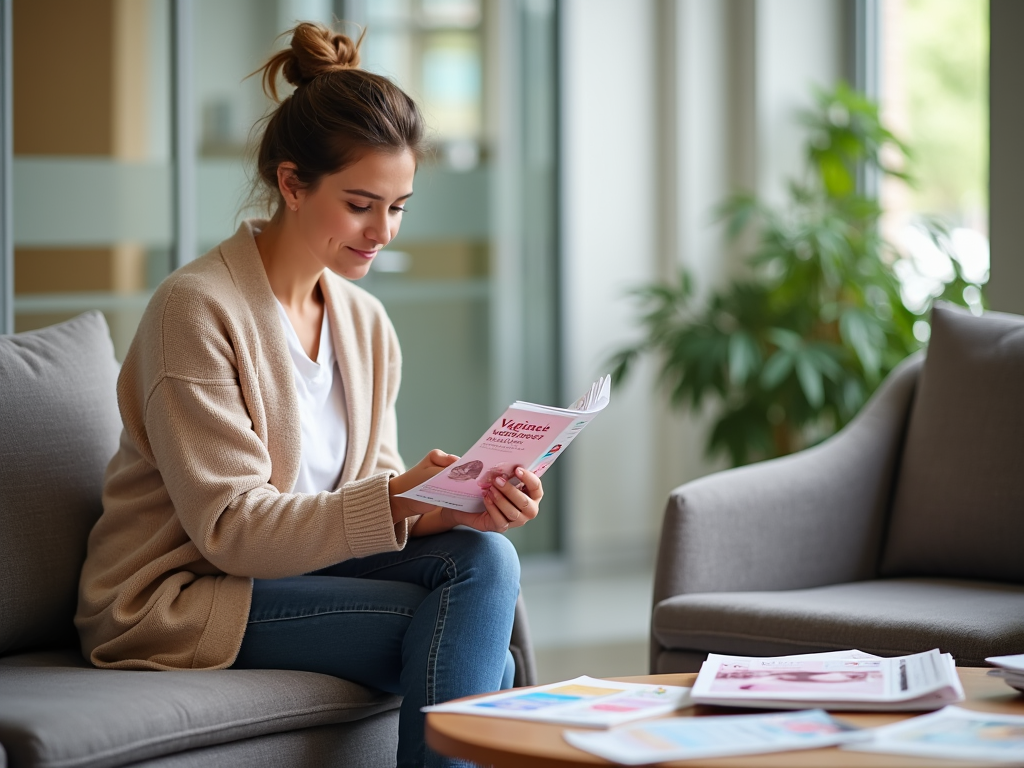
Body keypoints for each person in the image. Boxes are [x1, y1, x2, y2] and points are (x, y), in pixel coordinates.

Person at [75, 22, 543, 768]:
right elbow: (232, 529)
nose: (382, 232)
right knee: (472, 643)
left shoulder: (365, 322)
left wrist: (453, 504)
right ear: (292, 184)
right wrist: (394, 502)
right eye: (361, 204)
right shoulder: (195, 310)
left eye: (398, 207)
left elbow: (361, 492)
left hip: (298, 570)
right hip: (187, 592)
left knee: (485, 559)